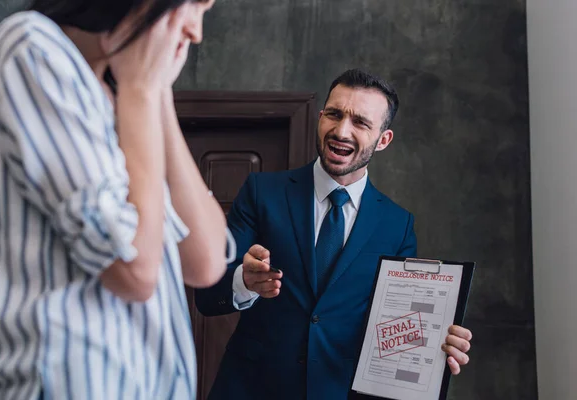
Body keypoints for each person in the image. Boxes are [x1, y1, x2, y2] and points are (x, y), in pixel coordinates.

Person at [0, 0, 230, 398]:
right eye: (194, 6)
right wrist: (142, 90)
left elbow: (206, 262)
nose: (196, 33)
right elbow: (134, 271)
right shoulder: (31, 47)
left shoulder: (126, 102)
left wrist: (156, 92)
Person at [195, 69, 474, 399]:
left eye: (360, 122)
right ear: (321, 116)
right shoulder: (261, 193)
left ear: (383, 140)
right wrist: (243, 281)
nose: (341, 131)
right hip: (251, 388)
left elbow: (394, 327)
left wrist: (434, 345)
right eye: (335, 114)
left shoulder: (397, 225)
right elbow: (208, 296)